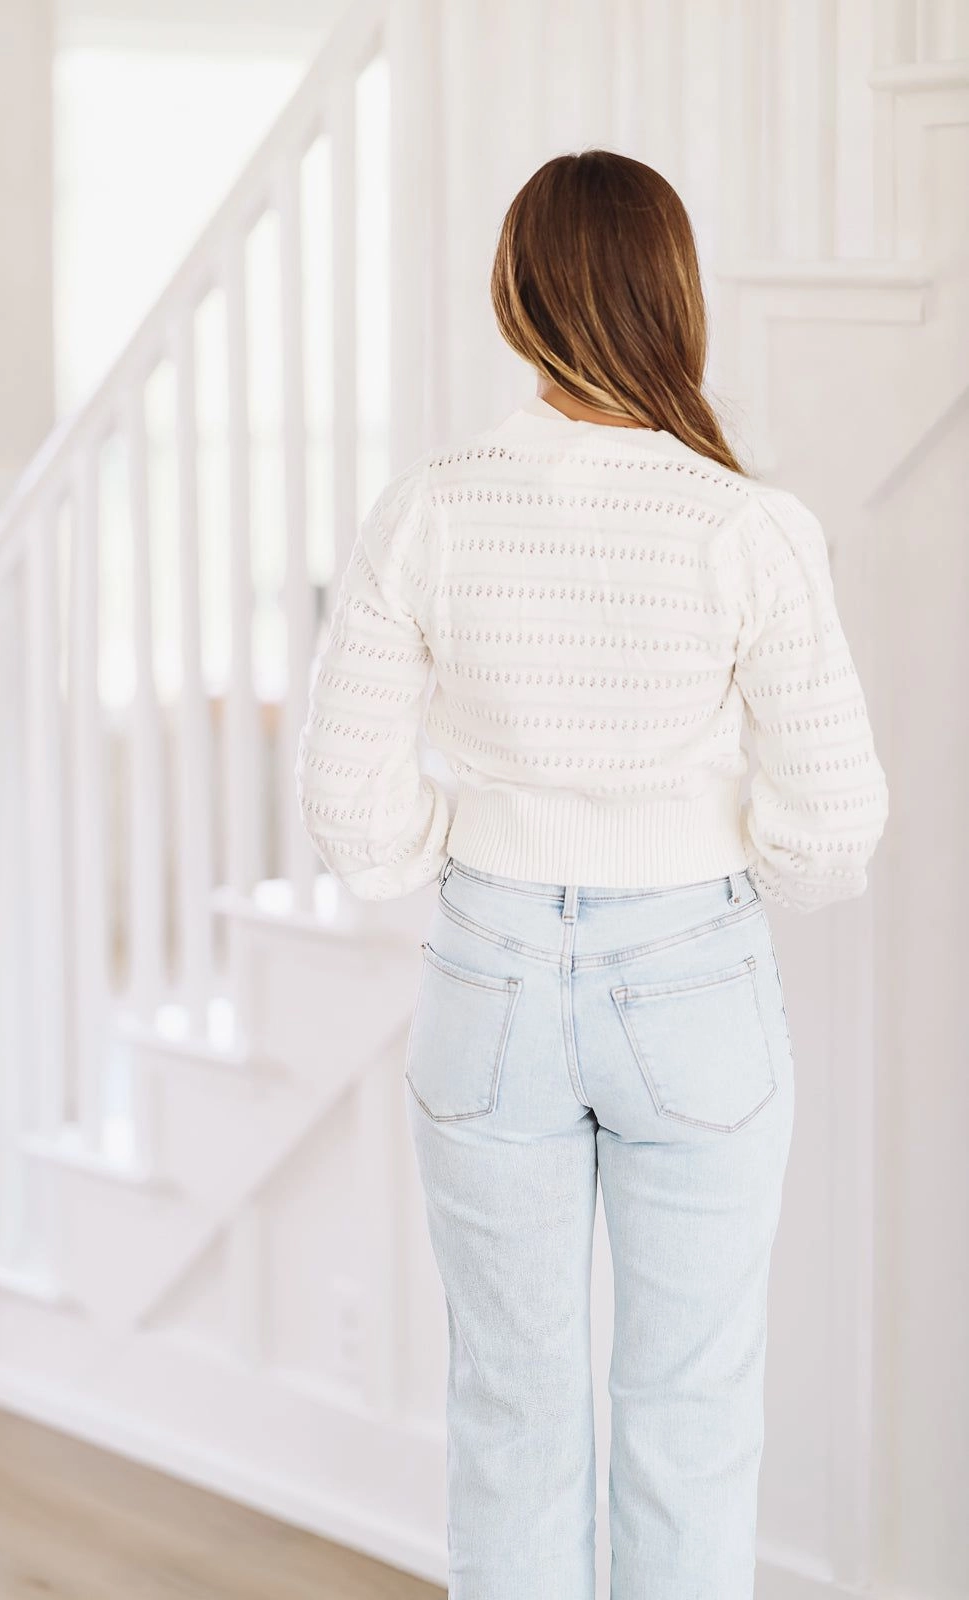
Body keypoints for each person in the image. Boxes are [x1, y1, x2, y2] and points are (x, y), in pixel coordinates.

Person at [294, 149, 889, 1600]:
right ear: (674, 298)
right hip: (692, 980)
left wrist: (482, 857)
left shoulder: (429, 507)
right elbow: (832, 834)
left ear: (514, 297)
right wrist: (694, 849)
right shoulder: (746, 525)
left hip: (485, 976)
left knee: (509, 1416)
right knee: (688, 1420)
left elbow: (351, 819)